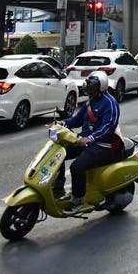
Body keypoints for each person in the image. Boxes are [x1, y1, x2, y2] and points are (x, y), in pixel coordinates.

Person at [55, 70, 124, 213]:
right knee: (57, 155)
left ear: (100, 87)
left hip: (102, 145)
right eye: (88, 86)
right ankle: (58, 189)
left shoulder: (110, 103)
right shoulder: (90, 102)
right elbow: (77, 120)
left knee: (77, 167)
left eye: (92, 86)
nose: (88, 89)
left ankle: (78, 200)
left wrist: (91, 138)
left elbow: (108, 126)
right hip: (84, 142)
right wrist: (62, 123)